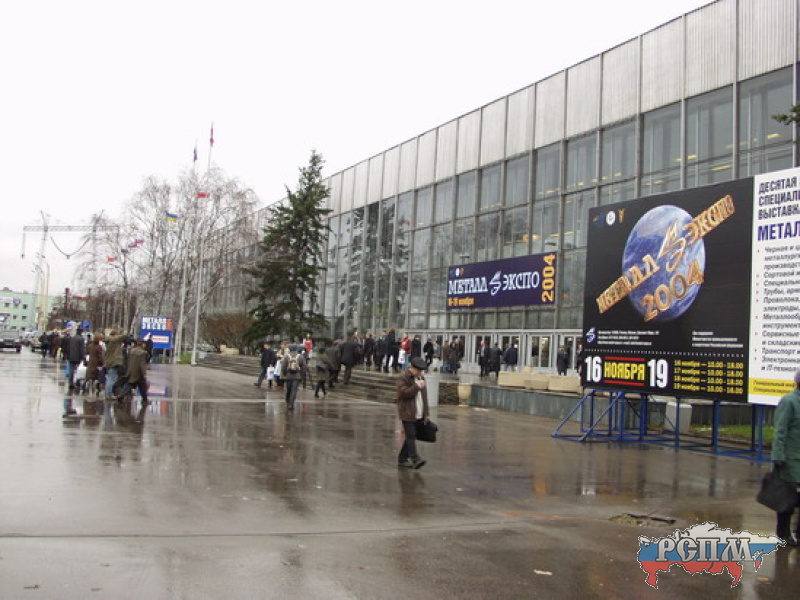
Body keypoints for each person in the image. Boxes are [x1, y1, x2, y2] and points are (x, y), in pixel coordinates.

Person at [772, 369, 800, 546]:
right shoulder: (789, 401)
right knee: (787, 498)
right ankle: (783, 533)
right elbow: (780, 430)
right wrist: (778, 455)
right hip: (790, 459)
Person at [396, 356, 431, 470]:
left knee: (411, 436)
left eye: (421, 371)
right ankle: (415, 459)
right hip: (407, 412)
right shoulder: (403, 377)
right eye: (418, 370)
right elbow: (403, 393)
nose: (420, 373)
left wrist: (426, 412)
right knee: (411, 435)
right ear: (412, 368)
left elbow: (424, 396)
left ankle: (402, 459)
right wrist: (416, 386)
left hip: (419, 412)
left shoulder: (421, 377)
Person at [122, 339, 149, 405]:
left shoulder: (131, 351)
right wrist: (144, 373)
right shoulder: (142, 352)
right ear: (142, 344)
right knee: (142, 386)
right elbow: (142, 364)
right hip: (138, 372)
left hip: (131, 370)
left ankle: (120, 396)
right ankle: (145, 400)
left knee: (130, 384)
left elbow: (128, 361)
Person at [281, 344, 306, 411]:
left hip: (288, 376)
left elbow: (283, 367)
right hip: (297, 376)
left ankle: (288, 400)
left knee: (288, 389)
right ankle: (291, 404)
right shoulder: (300, 356)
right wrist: (301, 375)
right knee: (294, 390)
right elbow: (304, 367)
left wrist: (285, 374)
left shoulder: (287, 356)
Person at [104, 330, 127, 400]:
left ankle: (108, 394)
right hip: (113, 362)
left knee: (110, 378)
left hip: (109, 362)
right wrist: (125, 332)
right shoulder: (112, 340)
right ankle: (109, 394)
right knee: (111, 379)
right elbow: (120, 337)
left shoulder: (109, 341)